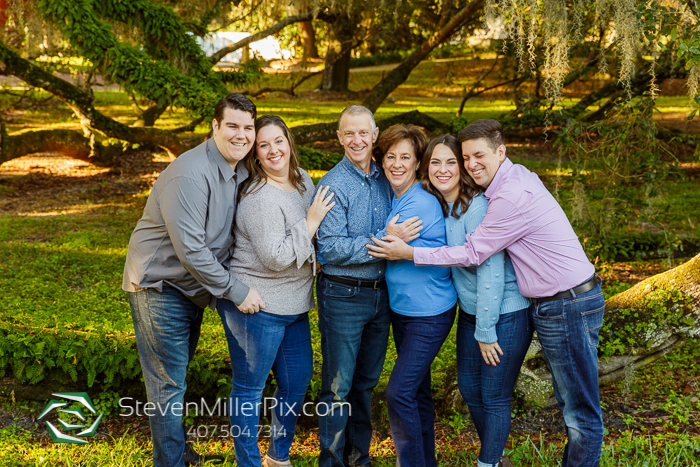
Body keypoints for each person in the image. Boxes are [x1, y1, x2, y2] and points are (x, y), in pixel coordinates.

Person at [367, 119, 606, 467]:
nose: (469, 164)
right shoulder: (493, 187)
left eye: (474, 156)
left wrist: (410, 253)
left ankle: (489, 462)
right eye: (464, 158)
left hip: (563, 302)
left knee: (576, 408)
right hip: (539, 304)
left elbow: (479, 258)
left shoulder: (500, 199)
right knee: (479, 392)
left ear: (501, 152)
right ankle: (494, 457)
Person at [123, 93, 265, 467]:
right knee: (167, 387)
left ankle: (176, 452)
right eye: (232, 126)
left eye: (248, 127)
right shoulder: (190, 173)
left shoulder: (239, 169)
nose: (241, 135)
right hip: (159, 286)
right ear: (215, 127)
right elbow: (191, 250)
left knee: (175, 379)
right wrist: (238, 291)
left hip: (191, 289)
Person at [217, 115, 336, 467]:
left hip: (295, 305)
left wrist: (317, 255)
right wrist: (310, 222)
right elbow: (275, 257)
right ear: (254, 155)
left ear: (289, 143)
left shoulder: (301, 182)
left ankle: (277, 457)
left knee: (296, 382)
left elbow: (308, 243)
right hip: (259, 306)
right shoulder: (259, 198)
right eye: (263, 145)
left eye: (278, 141)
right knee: (250, 390)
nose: (272, 151)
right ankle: (248, 462)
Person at [315, 105, 422, 467]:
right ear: (339, 137)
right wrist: (383, 240)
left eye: (364, 133)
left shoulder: (385, 175)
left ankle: (359, 458)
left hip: (381, 296)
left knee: (365, 384)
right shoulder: (332, 184)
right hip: (343, 295)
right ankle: (331, 461)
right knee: (338, 387)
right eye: (349, 133)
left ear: (374, 135)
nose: (357, 140)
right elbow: (329, 248)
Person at [420, 135, 531, 467]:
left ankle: (487, 462)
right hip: (472, 312)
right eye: (435, 162)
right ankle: (496, 458)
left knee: (494, 396)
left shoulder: (478, 206)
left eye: (451, 162)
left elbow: (492, 272)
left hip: (504, 312)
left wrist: (486, 330)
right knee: (469, 389)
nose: (443, 170)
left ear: (463, 168)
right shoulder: (440, 205)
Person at [373, 125, 457, 467]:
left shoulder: (419, 202)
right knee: (418, 392)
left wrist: (385, 235)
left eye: (405, 157)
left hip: (429, 314)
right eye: (390, 156)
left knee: (400, 392)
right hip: (406, 312)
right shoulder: (399, 197)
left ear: (417, 162)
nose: (396, 164)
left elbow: (380, 248)